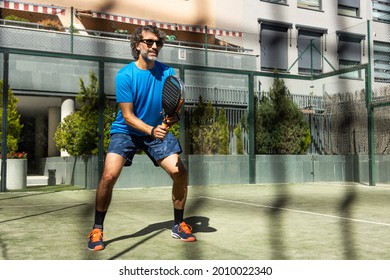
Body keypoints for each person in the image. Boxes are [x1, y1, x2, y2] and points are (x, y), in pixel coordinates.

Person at [88, 25, 196, 251]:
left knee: (180, 173)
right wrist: (151, 130)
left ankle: (178, 224)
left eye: (158, 43)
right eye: (149, 42)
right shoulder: (125, 75)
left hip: (155, 130)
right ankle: (97, 228)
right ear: (137, 45)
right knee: (108, 176)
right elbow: (127, 116)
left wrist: (168, 122)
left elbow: (174, 107)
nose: (154, 46)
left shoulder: (167, 73)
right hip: (126, 131)